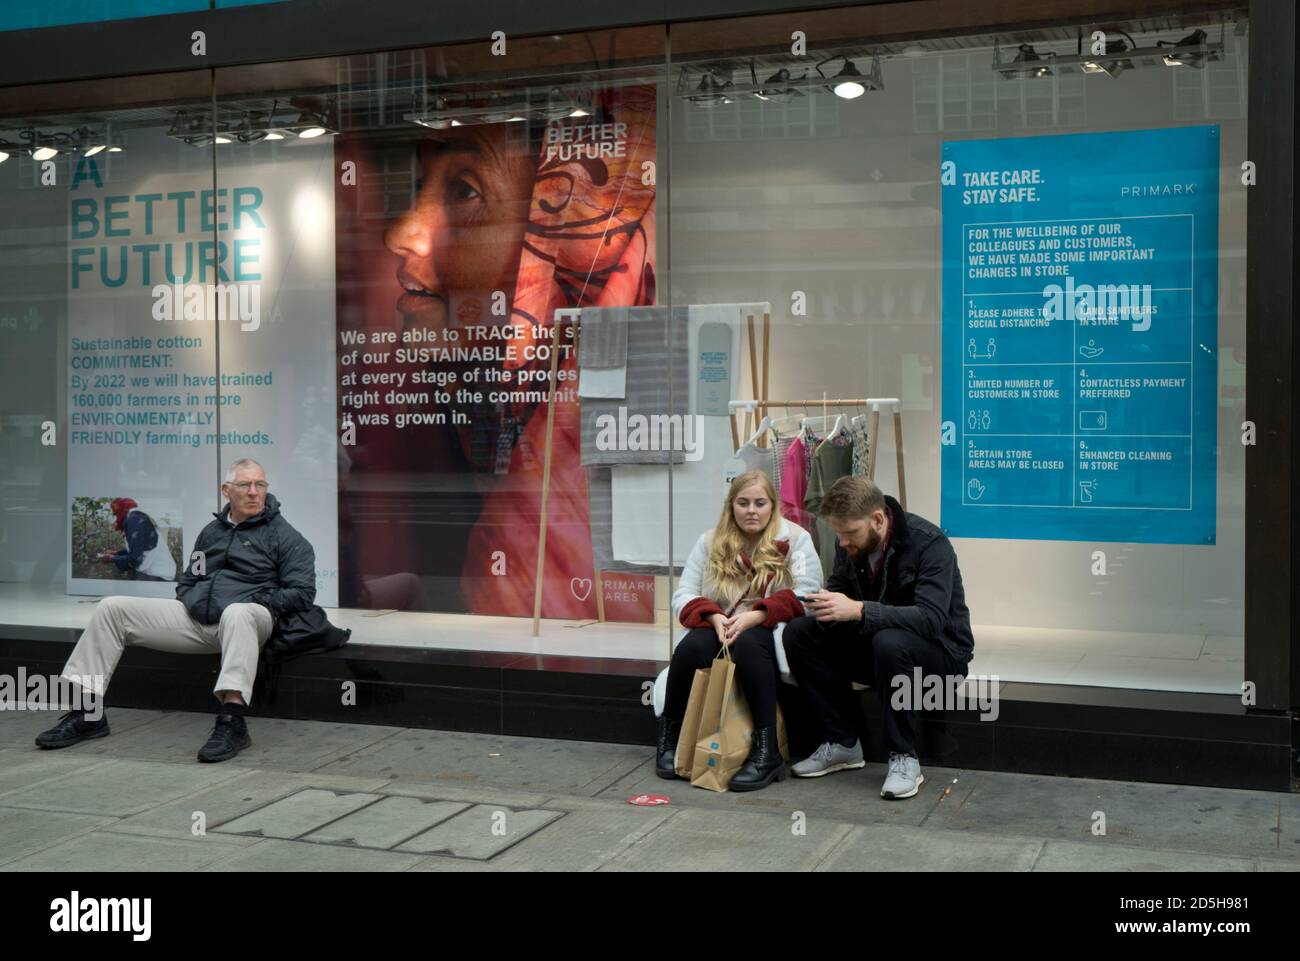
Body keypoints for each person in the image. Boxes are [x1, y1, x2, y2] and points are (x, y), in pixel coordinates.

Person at [35, 459, 316, 762]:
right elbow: (188, 580)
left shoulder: (285, 537)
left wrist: (257, 600)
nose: (253, 492)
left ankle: (232, 721)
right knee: (112, 608)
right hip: (201, 621)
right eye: (245, 485)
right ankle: (87, 714)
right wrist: (195, 602)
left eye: (259, 485)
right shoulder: (211, 533)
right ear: (226, 490)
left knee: (238, 612)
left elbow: (303, 593)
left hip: (251, 621)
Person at [784, 476, 974, 799]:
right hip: (879, 649)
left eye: (850, 534)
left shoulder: (929, 543)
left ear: (877, 519)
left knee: (889, 641)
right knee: (800, 634)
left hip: (942, 656)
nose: (843, 543)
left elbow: (930, 620)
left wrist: (858, 610)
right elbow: (842, 590)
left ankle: (904, 757)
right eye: (839, 534)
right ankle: (842, 742)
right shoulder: (849, 542)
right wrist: (824, 603)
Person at [653, 469, 821, 791]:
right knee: (689, 649)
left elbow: (808, 593)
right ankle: (669, 737)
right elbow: (684, 594)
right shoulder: (710, 541)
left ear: (772, 505)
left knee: (748, 647)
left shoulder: (796, 539)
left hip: (768, 628)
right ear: (731, 506)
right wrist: (714, 617)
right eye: (743, 503)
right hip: (720, 623)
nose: (751, 511)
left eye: (760, 503)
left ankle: (766, 750)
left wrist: (758, 615)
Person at [98, 497, 176, 582]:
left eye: (115, 514)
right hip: (158, 572)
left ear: (122, 510)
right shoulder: (136, 518)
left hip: (158, 575)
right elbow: (139, 549)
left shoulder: (134, 522)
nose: (115, 518)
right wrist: (117, 553)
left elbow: (136, 559)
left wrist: (112, 558)